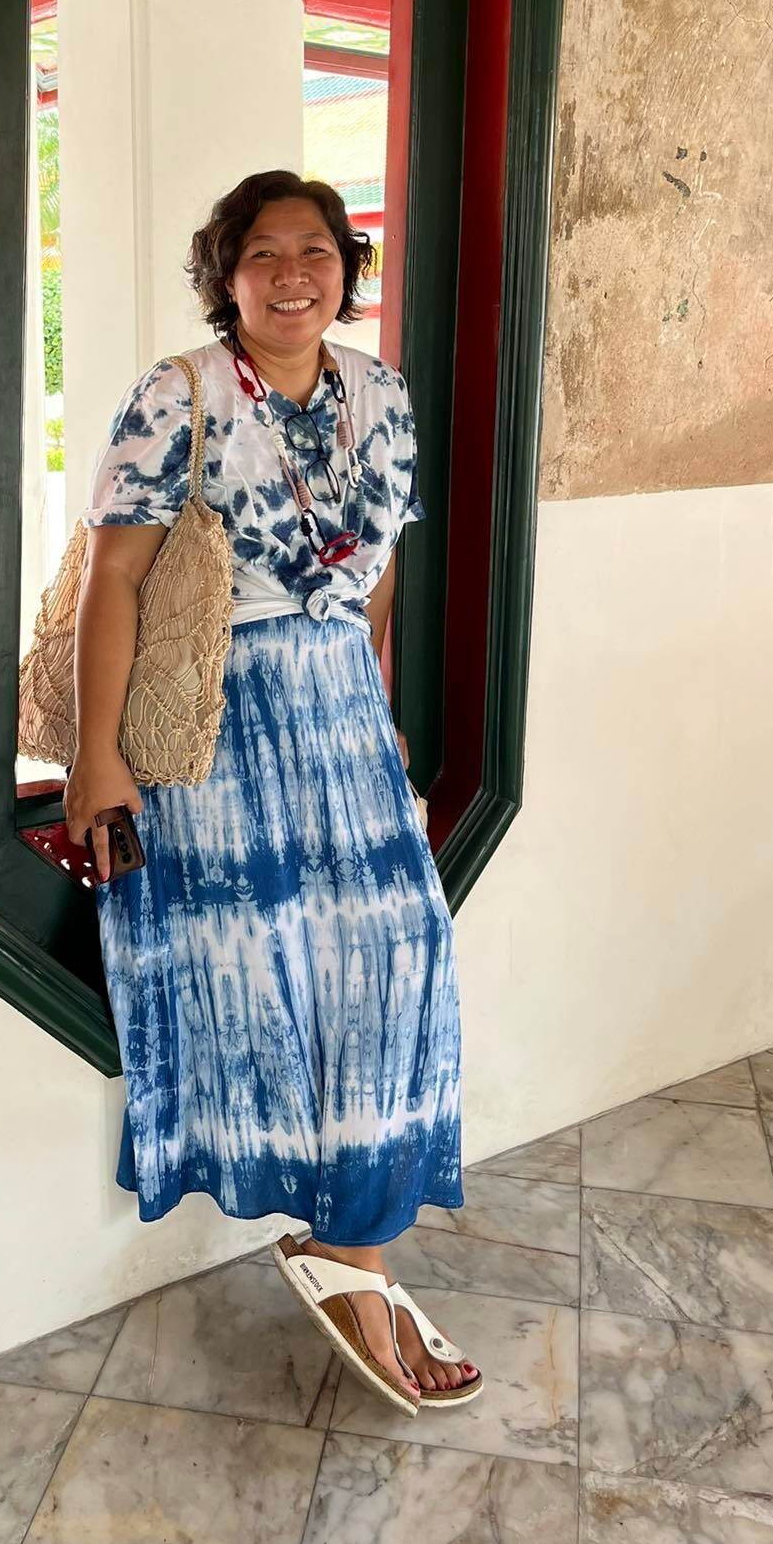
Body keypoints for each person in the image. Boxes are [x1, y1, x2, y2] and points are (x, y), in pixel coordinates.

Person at [63, 167, 479, 1408]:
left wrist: (377, 710)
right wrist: (97, 760)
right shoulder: (175, 393)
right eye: (263, 255)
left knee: (403, 957)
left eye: (316, 251)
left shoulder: (383, 394)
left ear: (346, 269)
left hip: (342, 712)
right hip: (217, 727)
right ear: (226, 275)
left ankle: (353, 1247)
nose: (293, 275)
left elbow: (384, 569)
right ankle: (355, 1256)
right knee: (264, 977)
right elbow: (114, 583)